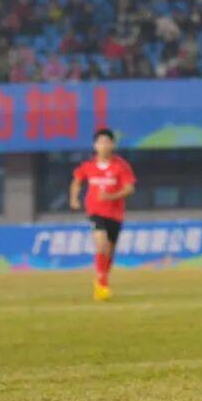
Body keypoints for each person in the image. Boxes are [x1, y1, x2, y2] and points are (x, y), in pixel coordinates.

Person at [69, 128, 136, 301]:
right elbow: (77, 181)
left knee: (109, 252)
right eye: (100, 142)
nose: (104, 145)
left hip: (115, 214)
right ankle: (102, 284)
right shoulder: (88, 166)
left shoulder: (121, 166)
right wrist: (74, 198)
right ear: (95, 145)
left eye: (107, 142)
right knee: (101, 245)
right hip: (95, 212)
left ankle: (102, 280)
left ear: (113, 145)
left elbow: (129, 188)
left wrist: (110, 196)